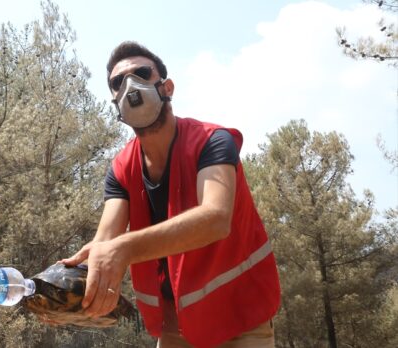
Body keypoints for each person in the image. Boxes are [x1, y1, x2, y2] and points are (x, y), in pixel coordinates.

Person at [61, 41, 281, 347]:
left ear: (167, 87)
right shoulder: (121, 169)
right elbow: (105, 242)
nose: (129, 85)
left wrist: (123, 249)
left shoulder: (212, 141)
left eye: (141, 72)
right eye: (117, 82)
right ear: (114, 101)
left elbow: (216, 218)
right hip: (177, 329)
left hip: (241, 320)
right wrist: (66, 298)